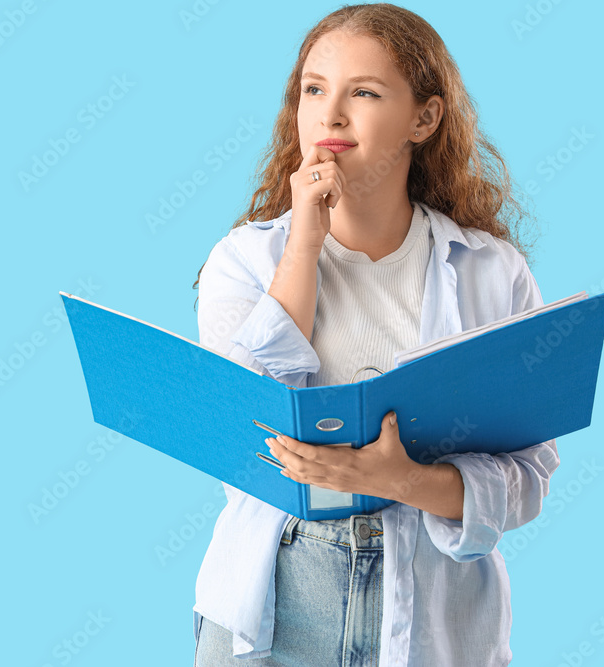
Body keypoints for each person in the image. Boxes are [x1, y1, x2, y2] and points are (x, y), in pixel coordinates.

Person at [190, 4, 559, 666]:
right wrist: (303, 245)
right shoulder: (242, 261)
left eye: (363, 92)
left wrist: (410, 479)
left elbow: (528, 477)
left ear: (424, 118)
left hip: (435, 613)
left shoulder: (492, 272)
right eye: (314, 89)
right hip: (278, 601)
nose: (330, 115)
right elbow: (238, 426)